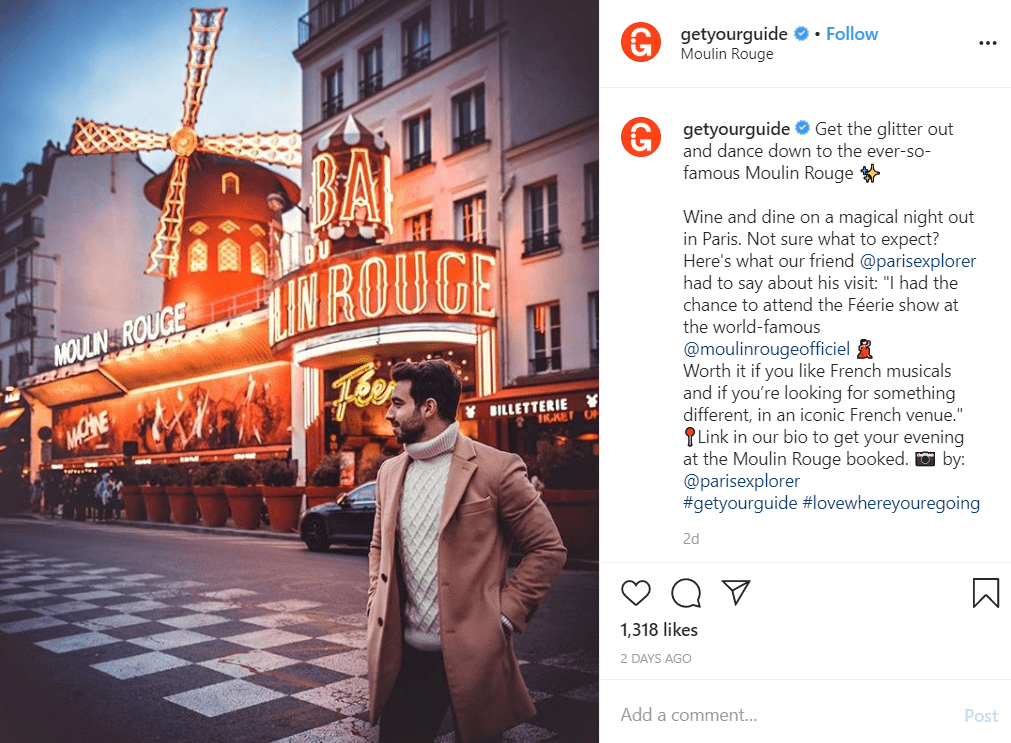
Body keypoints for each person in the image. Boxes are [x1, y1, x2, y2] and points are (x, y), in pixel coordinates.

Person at [368, 360, 566, 743]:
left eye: (397, 403)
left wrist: (506, 615)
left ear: (428, 408)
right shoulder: (389, 473)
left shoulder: (496, 468)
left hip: (476, 652)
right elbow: (379, 545)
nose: (388, 413)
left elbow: (548, 547)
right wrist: (376, 597)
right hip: (408, 653)